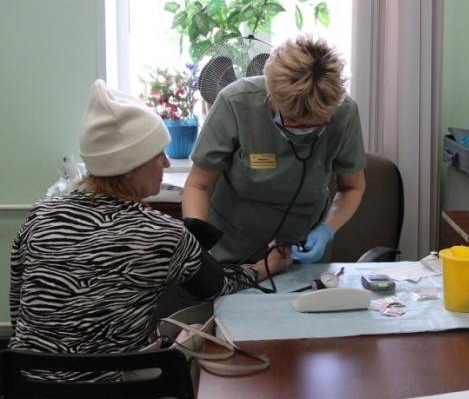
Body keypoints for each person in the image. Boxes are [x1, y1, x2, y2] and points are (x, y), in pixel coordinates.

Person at [9, 80, 291, 380]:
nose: (167, 164)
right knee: (196, 333)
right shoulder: (161, 233)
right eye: (159, 155)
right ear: (130, 167)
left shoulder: (40, 214)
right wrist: (266, 267)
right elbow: (216, 285)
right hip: (113, 386)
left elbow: (17, 306)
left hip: (24, 379)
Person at [183, 33, 367, 265]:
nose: (306, 129)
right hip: (233, 245)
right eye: (295, 121)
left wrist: (327, 229)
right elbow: (198, 185)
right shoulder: (236, 103)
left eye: (318, 122)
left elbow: (352, 187)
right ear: (271, 95)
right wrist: (199, 244)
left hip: (303, 246)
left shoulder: (344, 111)